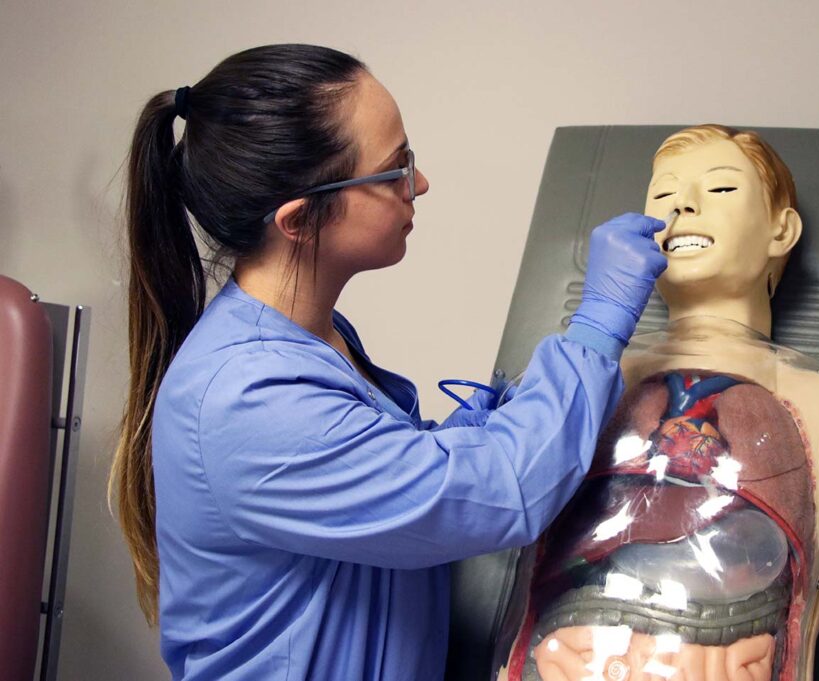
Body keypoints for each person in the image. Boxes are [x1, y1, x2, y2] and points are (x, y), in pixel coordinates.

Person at [107, 44, 668, 681]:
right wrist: (598, 323)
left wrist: (461, 436)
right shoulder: (247, 396)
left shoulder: (313, 340)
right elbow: (502, 492)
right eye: (395, 168)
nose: (419, 184)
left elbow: (386, 493)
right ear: (299, 220)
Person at [496, 125, 819, 681]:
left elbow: (801, 620)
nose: (686, 207)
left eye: (720, 190)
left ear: (780, 229)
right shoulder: (570, 381)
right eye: (664, 196)